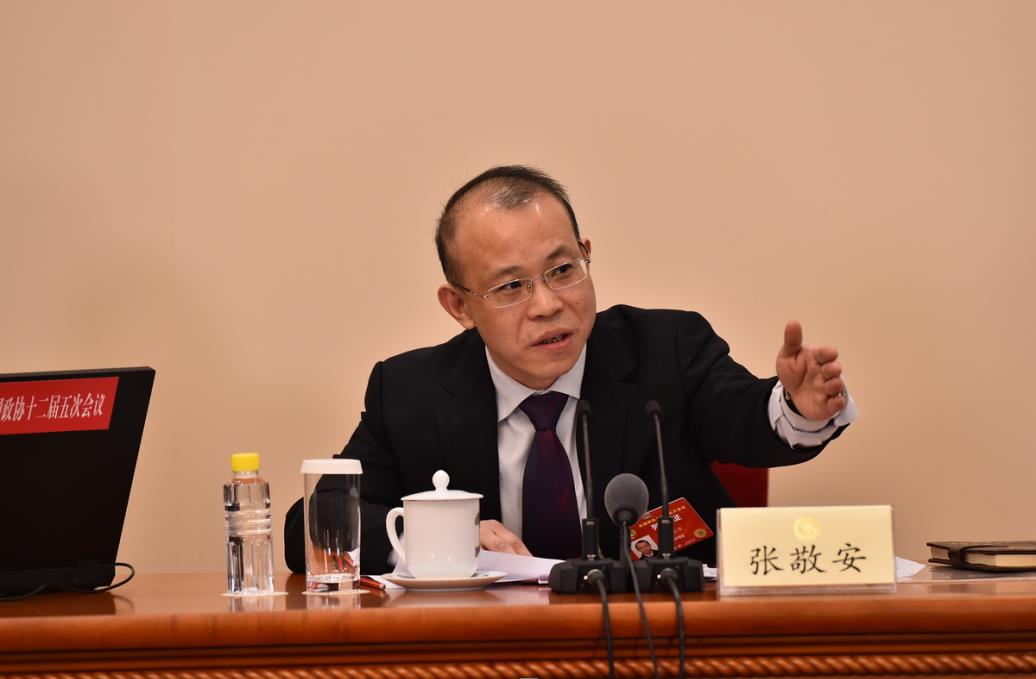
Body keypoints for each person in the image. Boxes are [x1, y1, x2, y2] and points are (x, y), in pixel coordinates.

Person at [285, 166, 857, 575]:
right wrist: (440, 537)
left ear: (585, 253)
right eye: (511, 286)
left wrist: (797, 407)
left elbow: (745, 417)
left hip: (661, 649)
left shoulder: (667, 350)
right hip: (488, 658)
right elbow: (308, 526)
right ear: (459, 306)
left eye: (562, 270)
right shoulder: (409, 392)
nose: (547, 304)